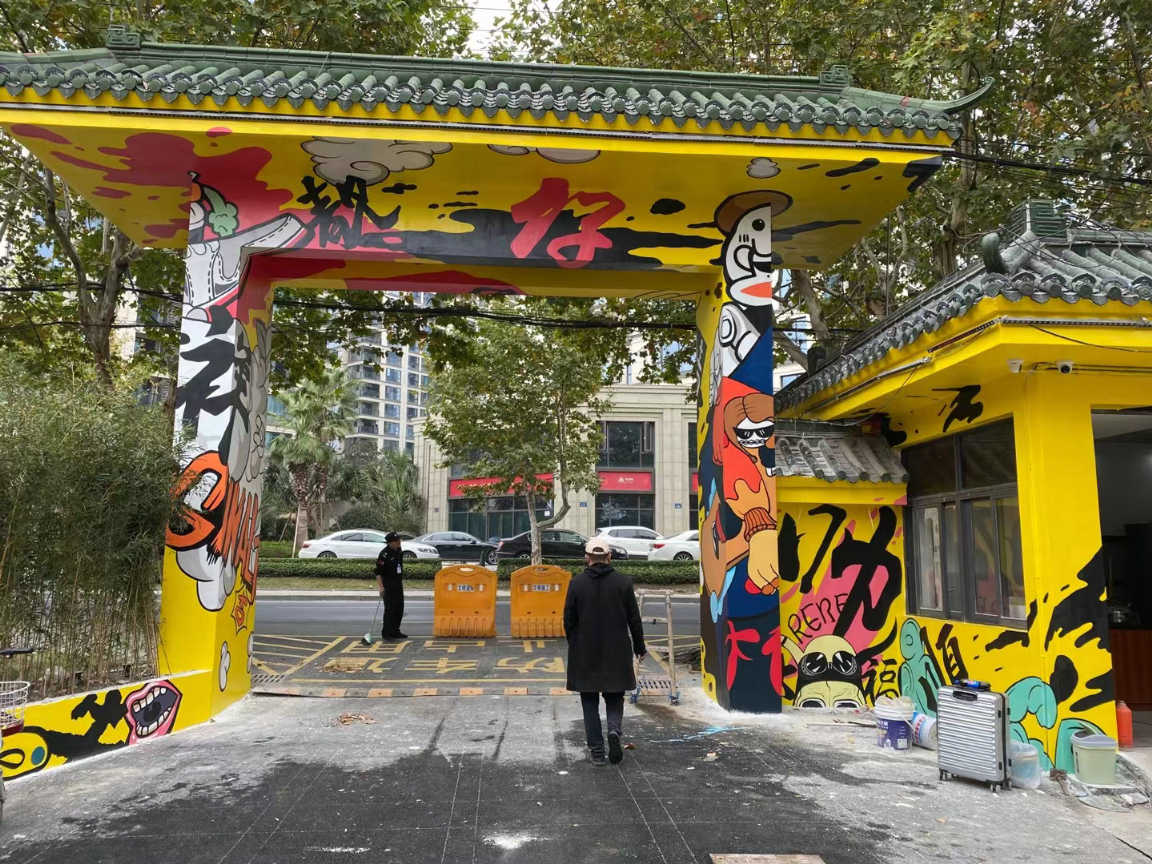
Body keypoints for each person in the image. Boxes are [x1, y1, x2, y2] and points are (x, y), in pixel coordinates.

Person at [563, 538, 646, 766]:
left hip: (585, 651)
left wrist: (575, 644)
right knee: (615, 696)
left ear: (586, 558)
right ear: (609, 557)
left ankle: (597, 752)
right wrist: (639, 647)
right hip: (616, 650)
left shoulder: (576, 583)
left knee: (589, 700)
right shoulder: (623, 583)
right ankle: (614, 730)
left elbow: (568, 619)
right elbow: (634, 619)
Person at [375, 532, 407, 640]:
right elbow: (378, 572)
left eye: (399, 540)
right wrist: (381, 587)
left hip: (398, 584)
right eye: (396, 541)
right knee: (390, 610)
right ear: (390, 542)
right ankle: (387, 633)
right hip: (388, 585)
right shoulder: (384, 555)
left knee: (399, 608)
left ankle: (395, 631)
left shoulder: (399, 550)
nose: (399, 542)